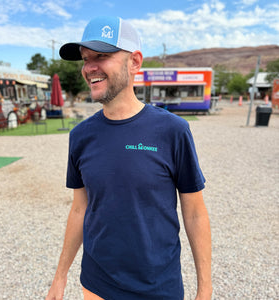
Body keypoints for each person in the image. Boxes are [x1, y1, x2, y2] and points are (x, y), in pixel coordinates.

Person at [46, 16, 212, 300]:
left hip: (158, 287)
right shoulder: (81, 136)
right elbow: (79, 209)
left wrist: (205, 290)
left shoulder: (173, 131)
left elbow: (195, 212)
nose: (89, 68)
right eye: (86, 59)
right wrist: (59, 278)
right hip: (97, 284)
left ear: (134, 62)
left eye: (101, 56)